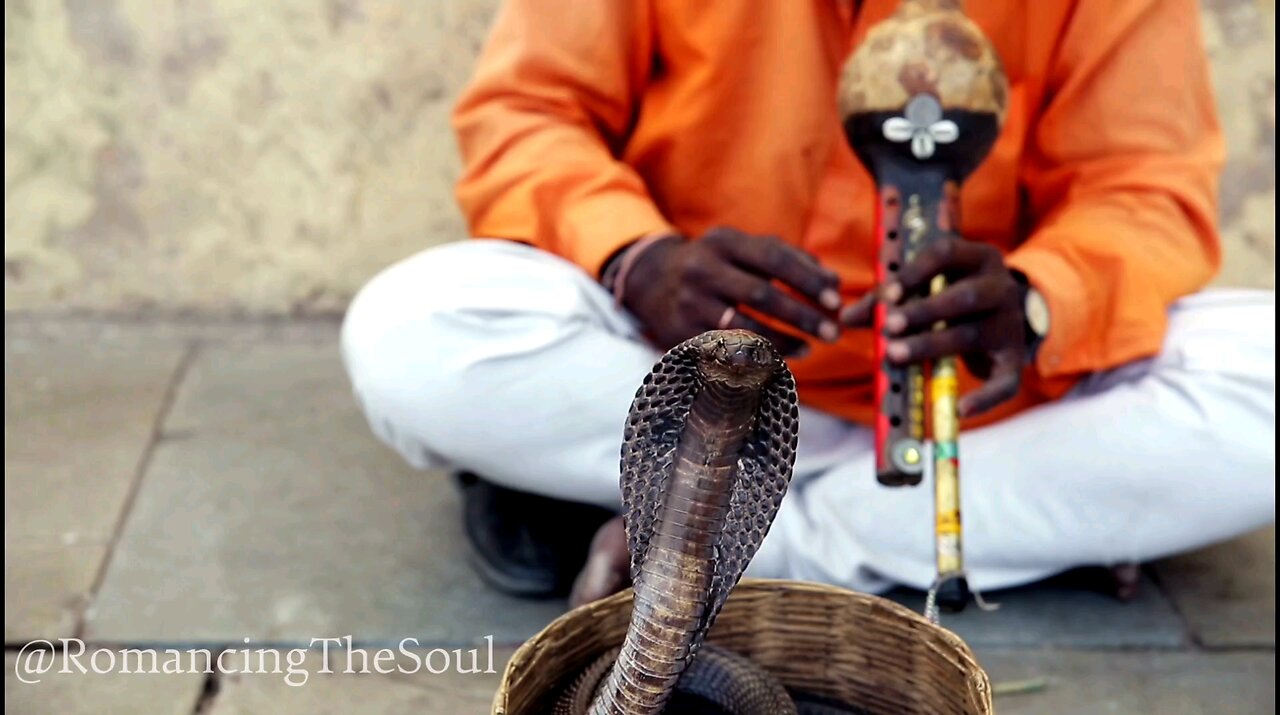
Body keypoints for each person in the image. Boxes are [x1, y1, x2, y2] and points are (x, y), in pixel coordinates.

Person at [339, 0, 1275, 606]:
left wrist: (1037, 301)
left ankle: (723, 532)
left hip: (974, 405)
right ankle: (979, 533)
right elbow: (527, 113)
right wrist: (639, 259)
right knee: (413, 327)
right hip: (684, 364)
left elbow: (1145, 188)